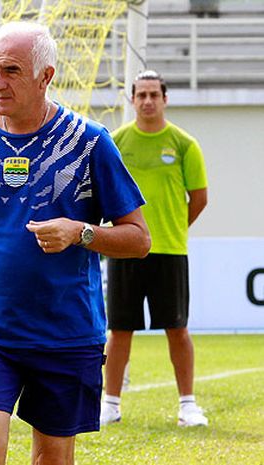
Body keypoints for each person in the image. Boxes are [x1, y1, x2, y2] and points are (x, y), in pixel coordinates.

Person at [0, 21, 150, 465]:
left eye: (11, 71)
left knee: (52, 461)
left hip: (65, 334)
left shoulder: (89, 143)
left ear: (46, 76)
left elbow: (139, 239)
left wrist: (80, 232)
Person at [101, 70, 209, 428]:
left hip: (169, 251)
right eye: (141, 95)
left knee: (177, 328)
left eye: (154, 94)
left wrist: (173, 228)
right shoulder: (115, 142)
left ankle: (188, 405)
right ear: (131, 99)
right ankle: (111, 404)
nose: (147, 101)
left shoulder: (184, 144)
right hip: (125, 251)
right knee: (119, 330)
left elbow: (199, 198)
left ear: (165, 98)